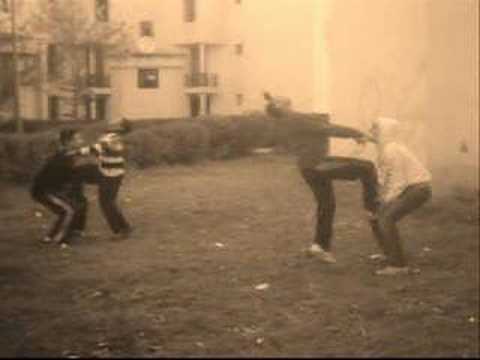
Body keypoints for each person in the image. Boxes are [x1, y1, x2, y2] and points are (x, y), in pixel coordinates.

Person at [264, 92, 379, 264]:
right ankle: (372, 209)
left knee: (327, 205)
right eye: (278, 100)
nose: (283, 96)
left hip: (308, 167)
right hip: (317, 164)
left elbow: (319, 125)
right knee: (367, 168)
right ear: (279, 107)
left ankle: (319, 246)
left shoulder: (288, 120)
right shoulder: (295, 118)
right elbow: (327, 128)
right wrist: (358, 133)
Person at [368, 117, 432, 275]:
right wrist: (381, 198)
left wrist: (387, 200)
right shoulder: (387, 148)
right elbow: (385, 177)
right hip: (410, 188)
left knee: (386, 218)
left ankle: (398, 265)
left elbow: (398, 180)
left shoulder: (392, 149)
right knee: (377, 216)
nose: (372, 132)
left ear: (385, 131)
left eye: (375, 129)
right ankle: (390, 254)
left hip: (418, 189)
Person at [74, 119, 132, 240]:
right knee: (109, 202)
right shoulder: (117, 138)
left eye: (116, 124)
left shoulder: (110, 137)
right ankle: (124, 227)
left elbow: (94, 149)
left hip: (110, 175)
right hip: (113, 173)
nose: (111, 124)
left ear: (119, 128)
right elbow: (102, 151)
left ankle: (120, 230)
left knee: (106, 203)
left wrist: (75, 152)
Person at [31, 129, 87, 245]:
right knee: (68, 211)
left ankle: (64, 234)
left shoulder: (67, 154)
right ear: (68, 142)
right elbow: (69, 172)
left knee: (76, 205)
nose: (81, 141)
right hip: (44, 190)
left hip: (54, 189)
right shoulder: (64, 155)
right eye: (78, 139)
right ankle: (57, 239)